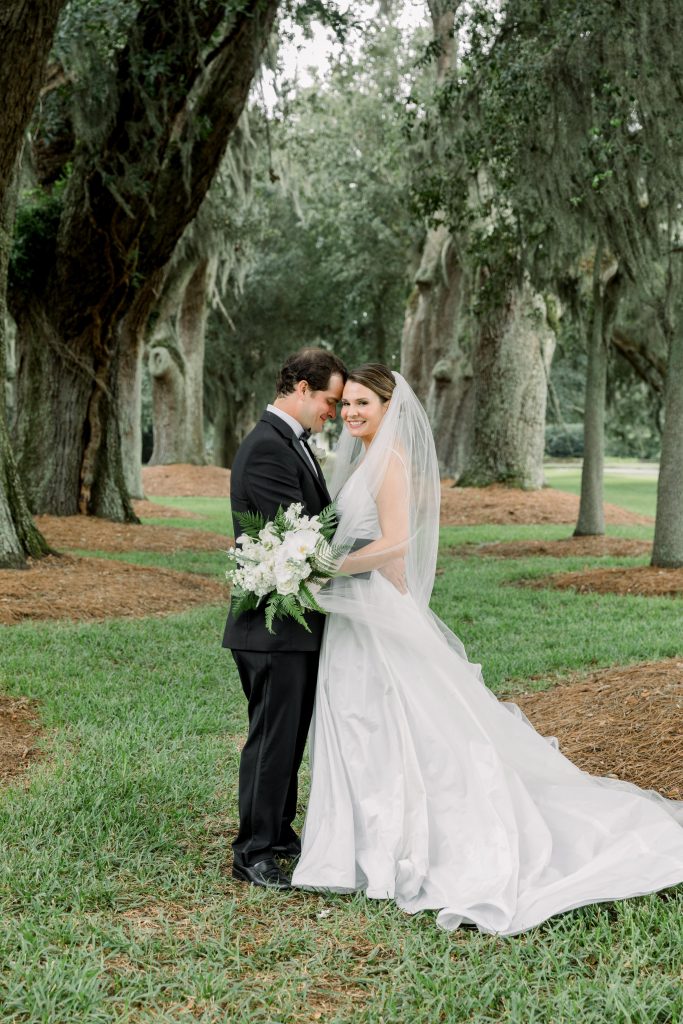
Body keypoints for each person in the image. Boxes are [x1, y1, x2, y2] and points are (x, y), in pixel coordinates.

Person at [291, 363, 683, 935]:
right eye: (345, 403)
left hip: (375, 611)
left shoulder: (390, 460)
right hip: (362, 612)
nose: (350, 412)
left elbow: (397, 545)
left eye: (362, 404)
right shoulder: (365, 460)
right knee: (362, 721)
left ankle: (394, 846)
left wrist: (326, 566)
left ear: (388, 408)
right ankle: (360, 844)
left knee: (388, 720)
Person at [224, 347, 347, 889]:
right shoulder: (268, 448)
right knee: (272, 739)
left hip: (292, 624)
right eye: (330, 400)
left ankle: (277, 832)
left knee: (288, 736)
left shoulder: (289, 442)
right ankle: (252, 851)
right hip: (270, 627)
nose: (333, 412)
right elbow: (294, 540)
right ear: (301, 388)